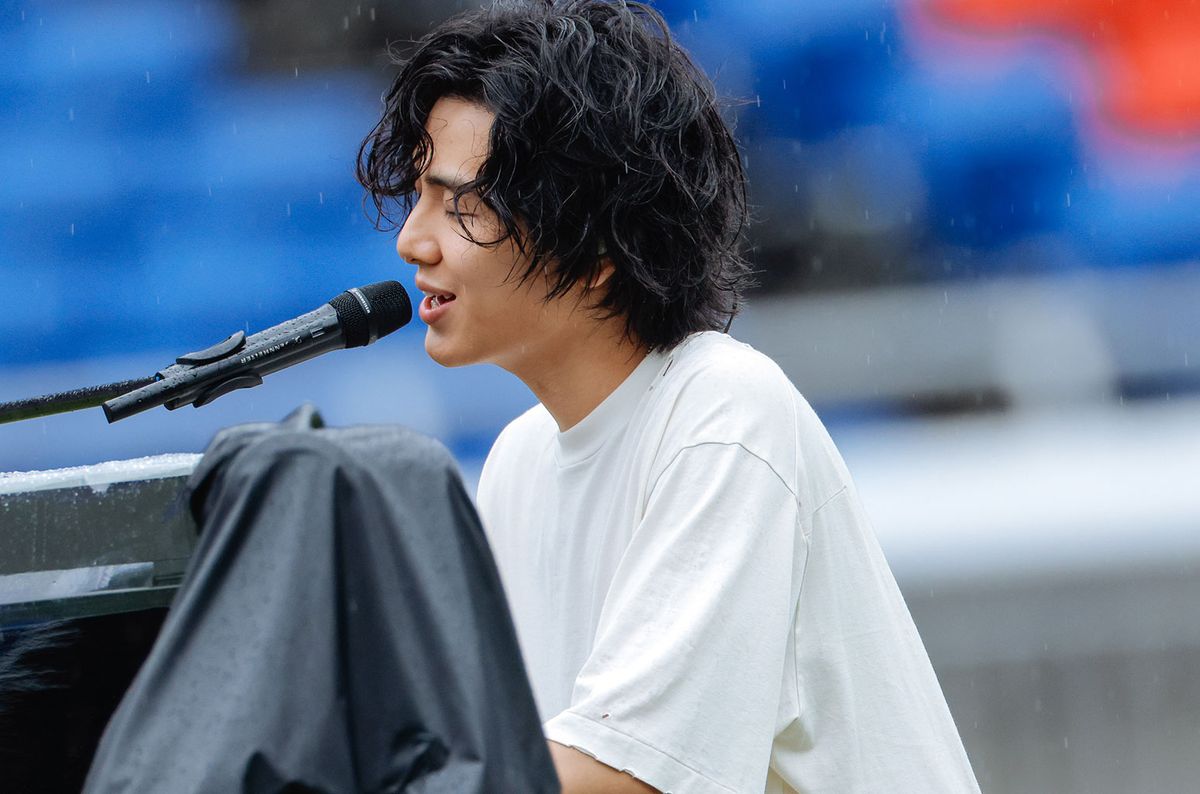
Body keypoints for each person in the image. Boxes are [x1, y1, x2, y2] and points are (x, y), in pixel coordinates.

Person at [358, 1, 981, 791]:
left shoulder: (723, 412)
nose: (412, 240)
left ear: (594, 246)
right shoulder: (517, 463)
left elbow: (626, 777)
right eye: (419, 196)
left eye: (460, 205)